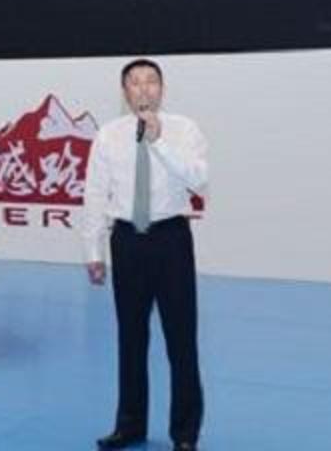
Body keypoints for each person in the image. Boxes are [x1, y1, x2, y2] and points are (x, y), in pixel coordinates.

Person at [82, 59, 209, 451]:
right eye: (135, 82)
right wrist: (93, 249)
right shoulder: (108, 135)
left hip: (171, 240)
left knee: (181, 339)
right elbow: (95, 193)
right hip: (127, 241)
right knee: (131, 338)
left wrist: (158, 141)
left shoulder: (185, 129)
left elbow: (199, 179)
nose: (143, 88)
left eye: (151, 81)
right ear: (125, 92)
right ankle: (130, 426)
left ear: (162, 88)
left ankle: (185, 434)